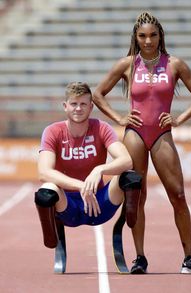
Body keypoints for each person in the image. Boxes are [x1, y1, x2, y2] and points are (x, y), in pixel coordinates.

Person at [93, 11, 191, 274]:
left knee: (178, 195)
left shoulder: (174, 64)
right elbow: (98, 94)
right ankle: (140, 259)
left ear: (161, 36)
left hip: (161, 134)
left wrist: (179, 119)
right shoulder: (127, 65)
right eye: (143, 36)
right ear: (136, 37)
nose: (148, 41)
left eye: (153, 35)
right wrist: (119, 118)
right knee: (137, 196)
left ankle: (189, 259)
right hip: (134, 134)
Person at [34, 82, 142, 257]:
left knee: (130, 176)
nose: (78, 108)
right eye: (74, 104)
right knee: (46, 190)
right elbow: (44, 172)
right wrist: (81, 186)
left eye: (83, 104)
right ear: (65, 106)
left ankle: (130, 219)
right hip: (68, 207)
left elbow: (127, 160)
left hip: (99, 204)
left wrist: (99, 169)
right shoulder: (53, 131)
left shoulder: (101, 128)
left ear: (91, 107)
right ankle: (51, 236)